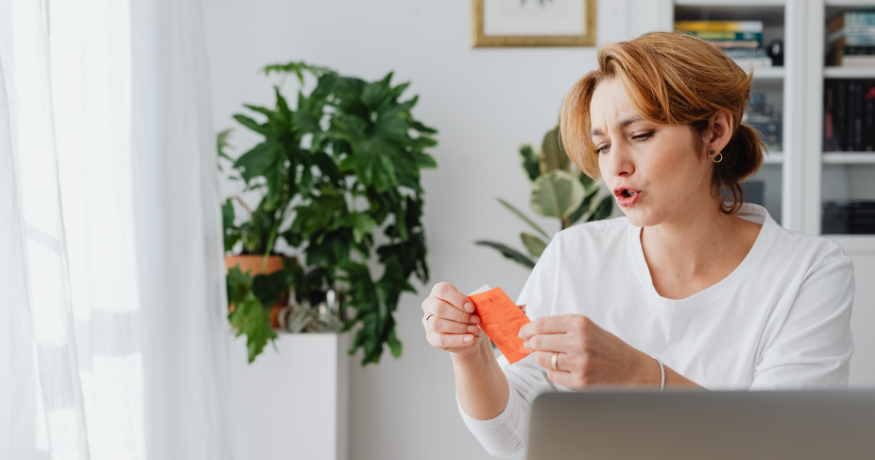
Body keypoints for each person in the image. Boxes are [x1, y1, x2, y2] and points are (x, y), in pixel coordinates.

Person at [420, 31, 855, 457]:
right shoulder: (574, 255)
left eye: (641, 135)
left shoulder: (808, 271)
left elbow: (789, 446)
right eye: (603, 146)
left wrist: (641, 375)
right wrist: (471, 355)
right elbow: (514, 440)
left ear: (715, 132)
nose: (617, 167)